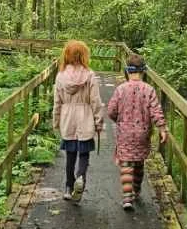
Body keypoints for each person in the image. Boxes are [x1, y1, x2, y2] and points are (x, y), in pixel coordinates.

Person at [106, 53, 167, 211]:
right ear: (143, 71)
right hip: (143, 133)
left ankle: (127, 198)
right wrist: (162, 128)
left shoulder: (121, 89)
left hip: (125, 132)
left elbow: (111, 110)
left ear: (127, 70)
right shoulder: (149, 90)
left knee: (126, 163)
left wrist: (118, 120)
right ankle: (137, 190)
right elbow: (156, 111)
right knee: (139, 162)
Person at [52, 40, 104, 202]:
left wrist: (56, 121)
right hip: (85, 118)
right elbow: (95, 101)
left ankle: (68, 187)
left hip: (68, 118)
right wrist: (99, 121)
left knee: (70, 155)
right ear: (83, 56)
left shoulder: (60, 76)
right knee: (84, 154)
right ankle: (80, 177)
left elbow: (57, 102)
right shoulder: (89, 75)